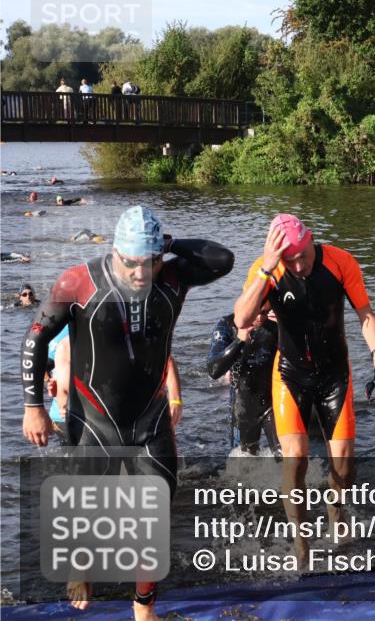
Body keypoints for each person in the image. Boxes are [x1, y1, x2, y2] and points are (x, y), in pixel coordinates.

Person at [21, 205, 233, 620]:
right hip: (92, 420)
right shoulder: (79, 281)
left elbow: (222, 259)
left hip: (150, 419)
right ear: (115, 252)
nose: (140, 273)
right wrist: (33, 408)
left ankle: (143, 605)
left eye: (150, 262)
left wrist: (170, 245)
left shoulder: (172, 277)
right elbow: (35, 340)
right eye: (131, 263)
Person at [234, 213, 375, 564]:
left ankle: (337, 514)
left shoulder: (340, 261)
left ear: (311, 240)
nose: (298, 266)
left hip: (334, 375)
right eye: (289, 260)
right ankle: (300, 542)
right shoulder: (267, 269)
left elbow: (366, 314)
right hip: (290, 375)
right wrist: (267, 269)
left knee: (345, 466)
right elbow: (241, 319)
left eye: (302, 256)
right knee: (296, 460)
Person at [47, 325, 184, 444]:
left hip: (124, 413)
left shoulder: (115, 325)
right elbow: (48, 370)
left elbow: (164, 358)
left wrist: (175, 400)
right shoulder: (60, 338)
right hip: (74, 418)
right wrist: (53, 388)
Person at [206, 309, 281, 458]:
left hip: (276, 401)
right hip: (243, 406)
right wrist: (239, 341)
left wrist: (287, 327)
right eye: (257, 311)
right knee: (244, 461)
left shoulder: (279, 322)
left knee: (287, 456)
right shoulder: (228, 325)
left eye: (265, 312)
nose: (260, 317)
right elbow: (214, 370)